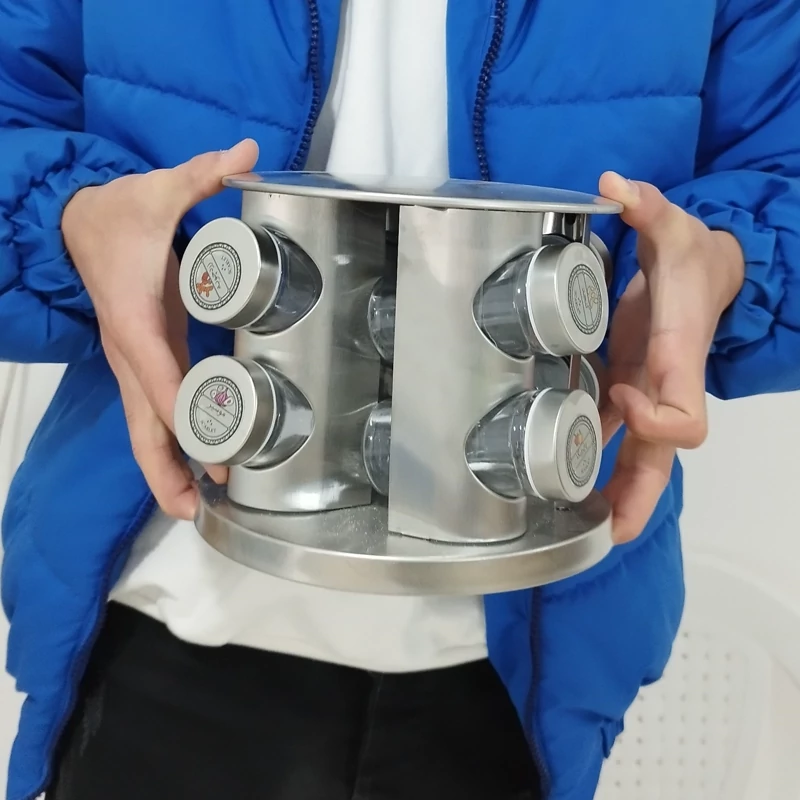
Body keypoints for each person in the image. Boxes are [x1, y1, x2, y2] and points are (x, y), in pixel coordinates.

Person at [1, 0, 799, 798]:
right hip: (154, 613)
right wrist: (66, 217)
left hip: (523, 667)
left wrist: (729, 262)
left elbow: (783, 168)